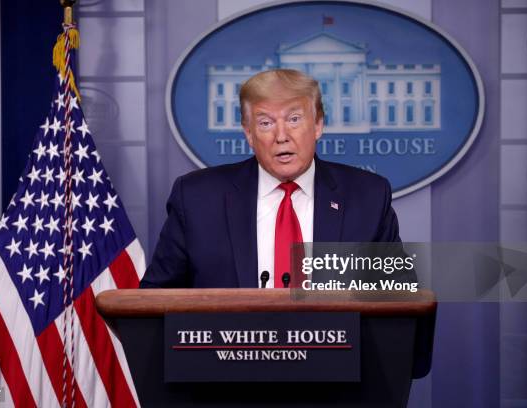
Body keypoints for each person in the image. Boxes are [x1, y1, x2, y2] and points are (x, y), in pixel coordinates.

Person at [141, 69, 412, 288]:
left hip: (339, 354)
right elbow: (155, 302)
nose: (281, 136)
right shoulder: (197, 198)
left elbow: (400, 301)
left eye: (294, 119)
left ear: (318, 125)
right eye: (266, 123)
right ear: (248, 133)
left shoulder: (367, 197)